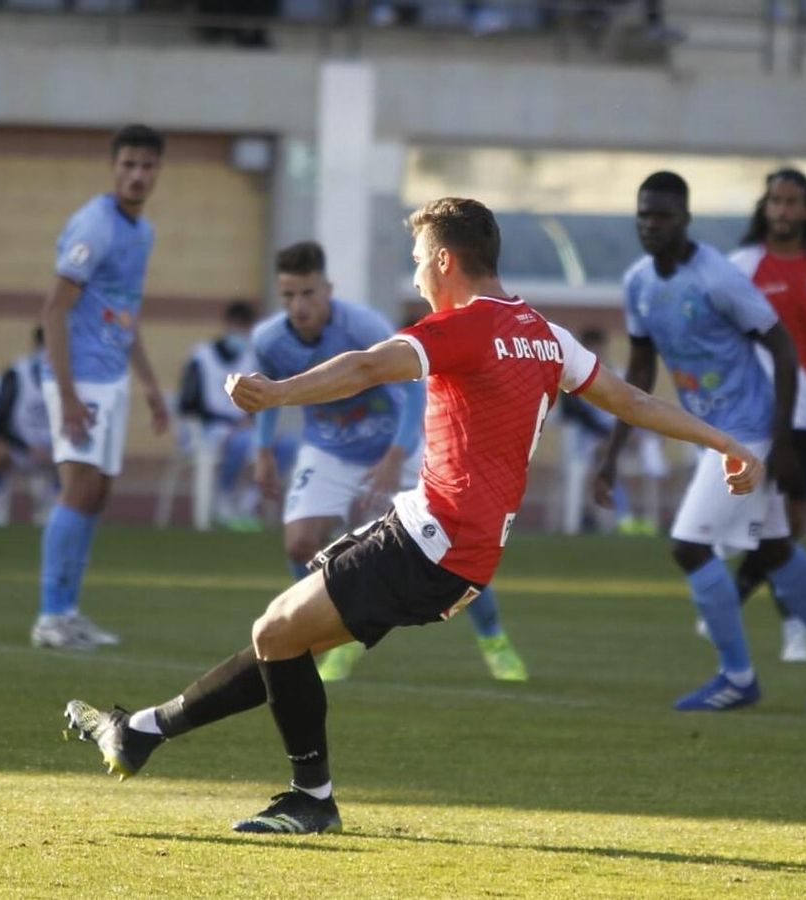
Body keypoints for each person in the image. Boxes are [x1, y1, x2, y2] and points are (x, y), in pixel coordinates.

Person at [62, 197, 765, 835]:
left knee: (275, 631)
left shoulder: (463, 328)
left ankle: (311, 797)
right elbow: (635, 402)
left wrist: (275, 393)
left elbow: (369, 367)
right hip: (464, 555)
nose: (417, 273)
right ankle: (143, 731)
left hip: (428, 540)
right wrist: (725, 441)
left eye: (418, 259)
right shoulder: (545, 335)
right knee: (287, 640)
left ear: (445, 260)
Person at [594, 171, 806, 713]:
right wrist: (612, 453)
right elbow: (642, 368)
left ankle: (737, 677)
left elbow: (785, 348)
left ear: (685, 219)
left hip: (748, 435)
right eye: (644, 214)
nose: (651, 224)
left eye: (663, 215)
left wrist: (784, 440)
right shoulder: (637, 282)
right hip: (712, 434)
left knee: (689, 545)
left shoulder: (717, 277)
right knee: (771, 547)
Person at [250, 240, 528, 683]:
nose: (298, 306)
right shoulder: (268, 340)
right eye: (288, 296)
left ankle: (494, 640)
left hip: (392, 449)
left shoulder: (363, 326)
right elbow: (267, 393)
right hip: (328, 449)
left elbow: (415, 388)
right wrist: (263, 451)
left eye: (307, 293)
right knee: (300, 544)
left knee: (453, 553)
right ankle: (334, 637)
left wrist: (396, 454)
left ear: (327, 288)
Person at [30, 124, 171, 650]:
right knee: (79, 489)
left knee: (98, 494)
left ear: (158, 171)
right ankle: (49, 616)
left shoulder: (142, 232)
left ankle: (68, 611)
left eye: (147, 165)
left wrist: (152, 386)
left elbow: (124, 316)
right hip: (80, 377)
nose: (137, 175)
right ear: (114, 167)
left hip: (111, 377)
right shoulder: (95, 227)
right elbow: (53, 309)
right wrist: (66, 396)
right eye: (129, 164)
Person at [725, 168, 806, 663]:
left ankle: (729, 601)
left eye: (793, 202)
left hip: (805, 409)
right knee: (764, 523)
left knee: (792, 526)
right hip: (756, 411)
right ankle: (790, 624)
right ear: (765, 207)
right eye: (776, 201)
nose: (783, 211)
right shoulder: (742, 265)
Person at [176, 301, 284, 530]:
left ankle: (248, 501)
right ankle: (223, 500)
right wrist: (224, 422)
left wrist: (249, 420)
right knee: (241, 442)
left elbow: (261, 400)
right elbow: (188, 403)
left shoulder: (251, 359)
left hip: (244, 427)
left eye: (246, 327)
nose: (241, 333)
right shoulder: (201, 356)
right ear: (228, 325)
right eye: (238, 326)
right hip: (209, 429)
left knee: (285, 446)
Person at [558, 327, 663, 536]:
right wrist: (607, 436)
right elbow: (575, 414)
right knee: (605, 455)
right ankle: (624, 518)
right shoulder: (569, 377)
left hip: (617, 436)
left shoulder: (615, 376)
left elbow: (631, 407)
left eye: (599, 347)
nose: (596, 351)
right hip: (588, 440)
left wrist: (631, 434)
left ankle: (646, 513)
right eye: (591, 347)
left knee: (648, 442)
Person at [0, 326, 56, 527]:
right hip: (19, 448)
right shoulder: (16, 374)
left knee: (81, 460)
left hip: (54, 450)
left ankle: (55, 509)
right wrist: (27, 447)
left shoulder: (72, 377)